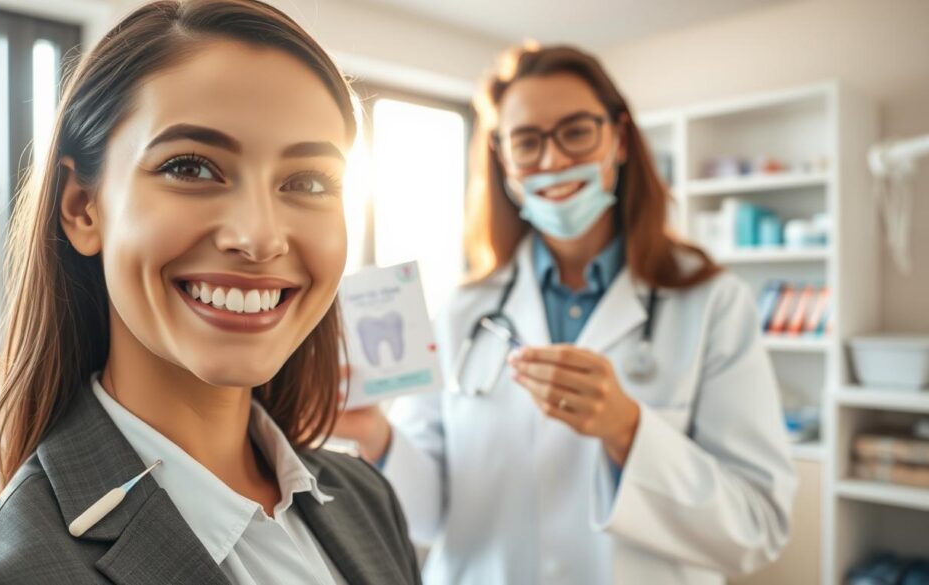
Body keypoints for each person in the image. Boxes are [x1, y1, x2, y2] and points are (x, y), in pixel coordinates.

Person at [0, 1, 420, 583]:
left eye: (307, 181)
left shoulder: (366, 498)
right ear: (82, 207)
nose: (258, 237)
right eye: (191, 167)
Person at [335, 43, 797, 585]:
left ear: (619, 139)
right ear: (503, 159)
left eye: (576, 132)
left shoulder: (711, 301)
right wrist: (375, 436)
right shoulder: (463, 309)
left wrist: (628, 430)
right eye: (527, 142)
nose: (553, 161)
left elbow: (757, 525)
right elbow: (429, 515)